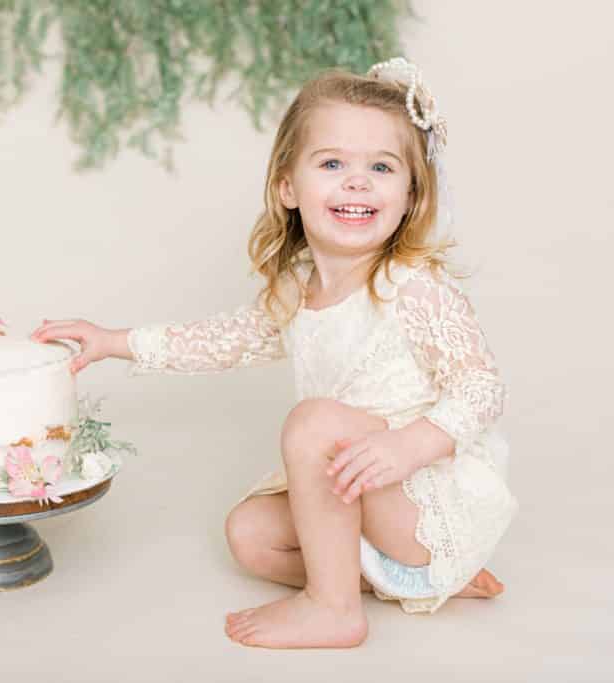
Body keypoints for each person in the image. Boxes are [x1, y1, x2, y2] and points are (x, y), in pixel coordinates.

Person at [29, 58, 518, 650]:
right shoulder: (301, 287)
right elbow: (225, 339)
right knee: (249, 536)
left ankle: (335, 608)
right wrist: (115, 342)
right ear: (289, 187)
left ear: (411, 194)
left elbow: (481, 386)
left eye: (381, 167)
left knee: (313, 422)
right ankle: (418, 584)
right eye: (333, 164)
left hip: (423, 499)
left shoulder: (410, 284)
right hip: (357, 491)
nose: (357, 182)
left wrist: (409, 444)